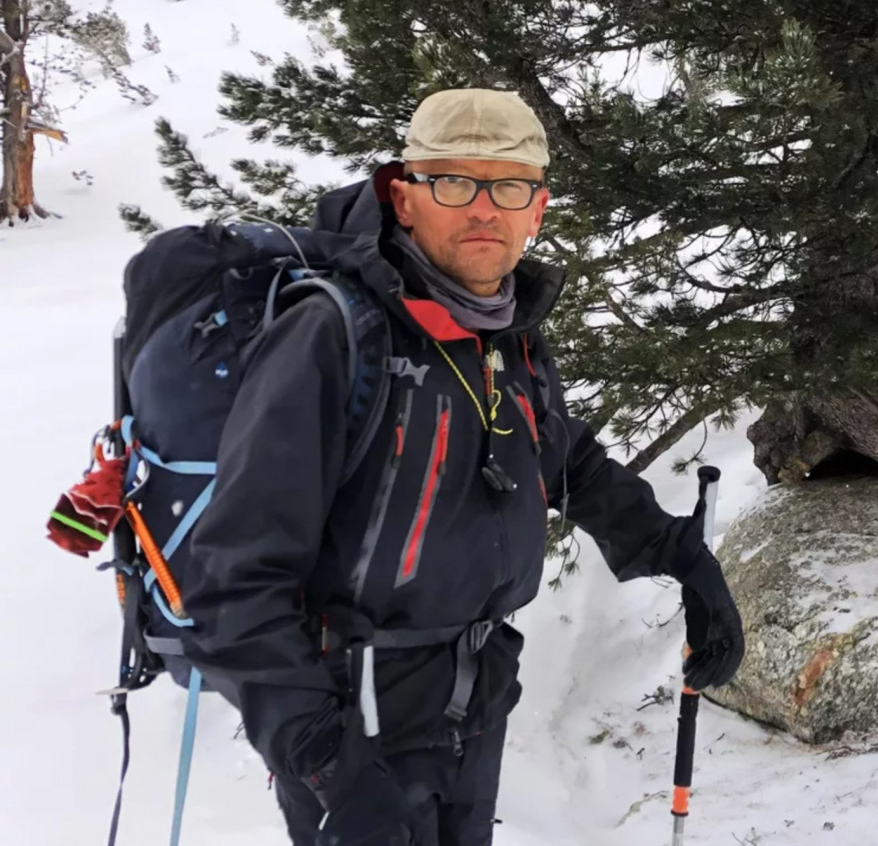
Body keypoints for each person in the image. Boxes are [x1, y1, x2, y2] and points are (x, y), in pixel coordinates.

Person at [179, 88, 746, 846]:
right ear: (405, 199)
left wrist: (683, 557)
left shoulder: (505, 332)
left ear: (538, 207)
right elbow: (232, 578)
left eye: (509, 186)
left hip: (475, 698)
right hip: (352, 718)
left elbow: (566, 459)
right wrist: (327, 766)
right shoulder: (333, 337)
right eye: (454, 182)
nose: (484, 209)